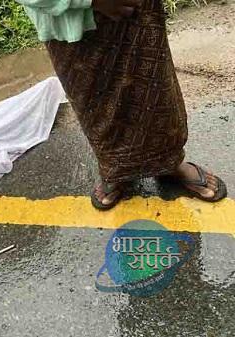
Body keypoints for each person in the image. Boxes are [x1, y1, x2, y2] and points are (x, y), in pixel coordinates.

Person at [16, 0, 227, 209]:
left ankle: (169, 162)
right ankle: (115, 169)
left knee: (154, 91)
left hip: (135, 7)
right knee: (96, 106)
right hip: (71, 23)